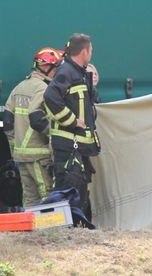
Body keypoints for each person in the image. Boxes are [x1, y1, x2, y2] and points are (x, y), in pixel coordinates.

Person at [44, 33, 101, 224]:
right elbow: (50, 98)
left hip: (78, 148)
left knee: (79, 192)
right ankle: (62, 229)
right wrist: (72, 121)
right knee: (66, 190)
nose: (91, 53)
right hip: (68, 147)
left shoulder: (78, 72)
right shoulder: (67, 71)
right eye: (91, 50)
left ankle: (76, 228)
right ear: (84, 51)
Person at [3, 47, 63, 206]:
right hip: (38, 154)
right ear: (46, 67)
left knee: (29, 196)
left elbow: (7, 122)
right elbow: (37, 119)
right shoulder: (43, 88)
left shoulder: (19, 87)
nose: (56, 71)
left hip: (21, 155)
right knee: (46, 193)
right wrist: (56, 134)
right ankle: (47, 229)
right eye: (56, 67)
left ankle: (32, 229)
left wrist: (14, 148)